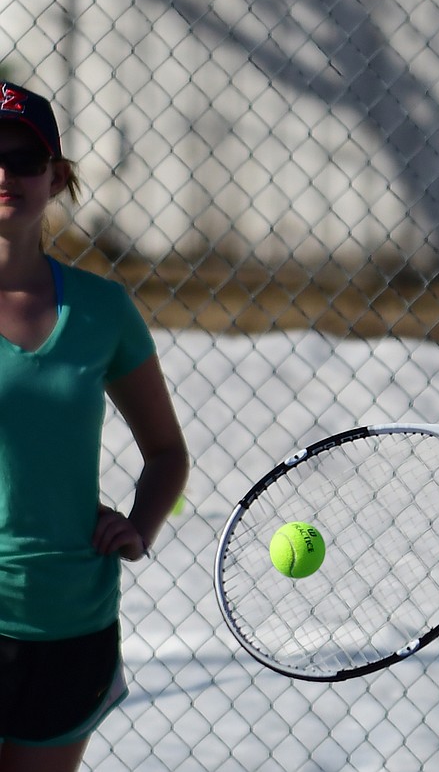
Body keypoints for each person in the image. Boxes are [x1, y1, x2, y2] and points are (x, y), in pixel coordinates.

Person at [0, 81, 189, 771]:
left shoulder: (102, 310)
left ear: (55, 178)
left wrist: (139, 524)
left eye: (22, 157)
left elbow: (167, 451)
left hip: (68, 622)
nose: (3, 172)